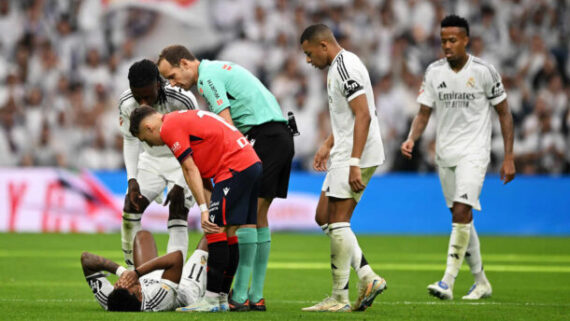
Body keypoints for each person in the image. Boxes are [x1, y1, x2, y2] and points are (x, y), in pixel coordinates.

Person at [156, 44, 295, 311]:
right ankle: (253, 295)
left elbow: (227, 124)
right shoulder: (219, 69)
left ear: (185, 63)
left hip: (262, 136)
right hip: (280, 135)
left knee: (244, 219)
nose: (173, 84)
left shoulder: (207, 78)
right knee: (258, 216)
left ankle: (240, 295)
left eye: (172, 76)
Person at [400, 15, 515, 300]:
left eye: (453, 40)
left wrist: (509, 156)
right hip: (445, 154)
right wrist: (412, 138)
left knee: (462, 211)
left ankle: (447, 281)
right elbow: (424, 112)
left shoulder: (485, 71)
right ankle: (481, 281)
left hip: (474, 152)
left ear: (466, 40)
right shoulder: (434, 72)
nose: (447, 46)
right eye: (443, 41)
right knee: (460, 217)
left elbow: (504, 113)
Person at [129, 106, 262, 312]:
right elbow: (202, 170)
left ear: (148, 127)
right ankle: (222, 299)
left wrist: (203, 209)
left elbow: (189, 169)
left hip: (233, 168)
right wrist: (208, 203)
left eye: (145, 139)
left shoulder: (169, 128)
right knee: (230, 232)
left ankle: (210, 300)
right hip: (250, 164)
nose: (150, 144)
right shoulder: (181, 119)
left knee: (214, 231)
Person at [299, 24, 387, 312]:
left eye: (309, 54)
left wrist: (354, 162)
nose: (308, 61)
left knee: (338, 221)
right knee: (323, 216)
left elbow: (363, 115)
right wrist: (327, 144)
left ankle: (339, 297)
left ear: (323, 45)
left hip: (355, 152)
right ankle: (367, 276)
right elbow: (349, 116)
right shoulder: (338, 67)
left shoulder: (345, 66)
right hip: (345, 148)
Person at [118, 59, 201, 268]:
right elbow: (129, 140)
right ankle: (133, 272)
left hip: (181, 159)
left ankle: (173, 277)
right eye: (139, 97)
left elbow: (197, 141)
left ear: (158, 84)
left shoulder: (182, 99)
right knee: (131, 205)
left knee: (178, 208)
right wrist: (132, 179)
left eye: (148, 95)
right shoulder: (127, 103)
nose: (143, 102)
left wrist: (181, 184)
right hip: (151, 159)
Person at [81, 230, 209, 311]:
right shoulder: (157, 301)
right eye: (129, 285)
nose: (122, 282)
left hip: (149, 278)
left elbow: (86, 258)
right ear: (140, 296)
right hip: (185, 285)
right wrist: (136, 273)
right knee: (212, 235)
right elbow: (176, 258)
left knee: (142, 236)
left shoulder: (110, 300)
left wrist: (122, 272)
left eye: (117, 285)